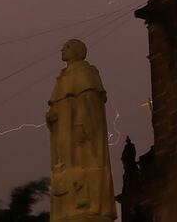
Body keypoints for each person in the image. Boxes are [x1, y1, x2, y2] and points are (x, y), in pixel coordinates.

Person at [46, 39, 116, 221]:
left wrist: (81, 125)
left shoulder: (85, 73)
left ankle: (87, 202)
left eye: (67, 46)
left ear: (77, 51)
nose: (62, 49)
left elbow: (88, 104)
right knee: (64, 166)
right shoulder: (63, 77)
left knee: (84, 163)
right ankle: (68, 205)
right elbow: (58, 105)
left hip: (80, 132)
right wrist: (52, 116)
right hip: (64, 133)